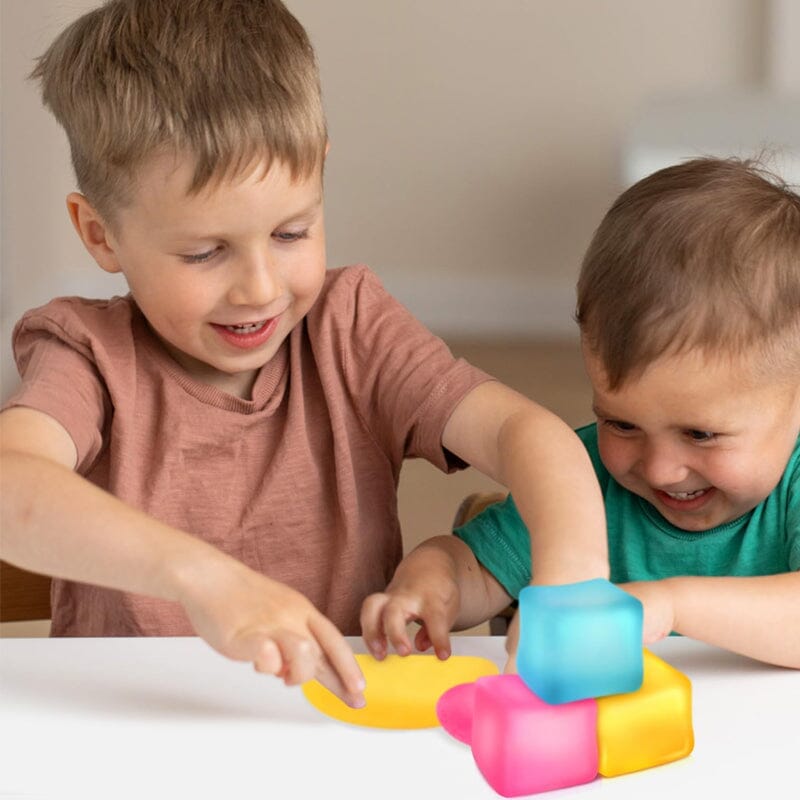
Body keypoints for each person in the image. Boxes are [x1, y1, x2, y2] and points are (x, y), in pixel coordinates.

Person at [0, 0, 609, 708]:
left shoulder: (351, 330)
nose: (259, 289)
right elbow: (12, 484)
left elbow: (523, 432)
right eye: (204, 252)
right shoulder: (87, 355)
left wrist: (571, 577)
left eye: (291, 233)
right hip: (134, 729)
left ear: (320, 173)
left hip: (336, 731)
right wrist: (204, 579)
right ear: (101, 234)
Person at [362, 156, 800, 670]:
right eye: (622, 424)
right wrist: (432, 579)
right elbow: (477, 570)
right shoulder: (582, 481)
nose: (659, 469)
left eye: (700, 434)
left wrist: (666, 605)